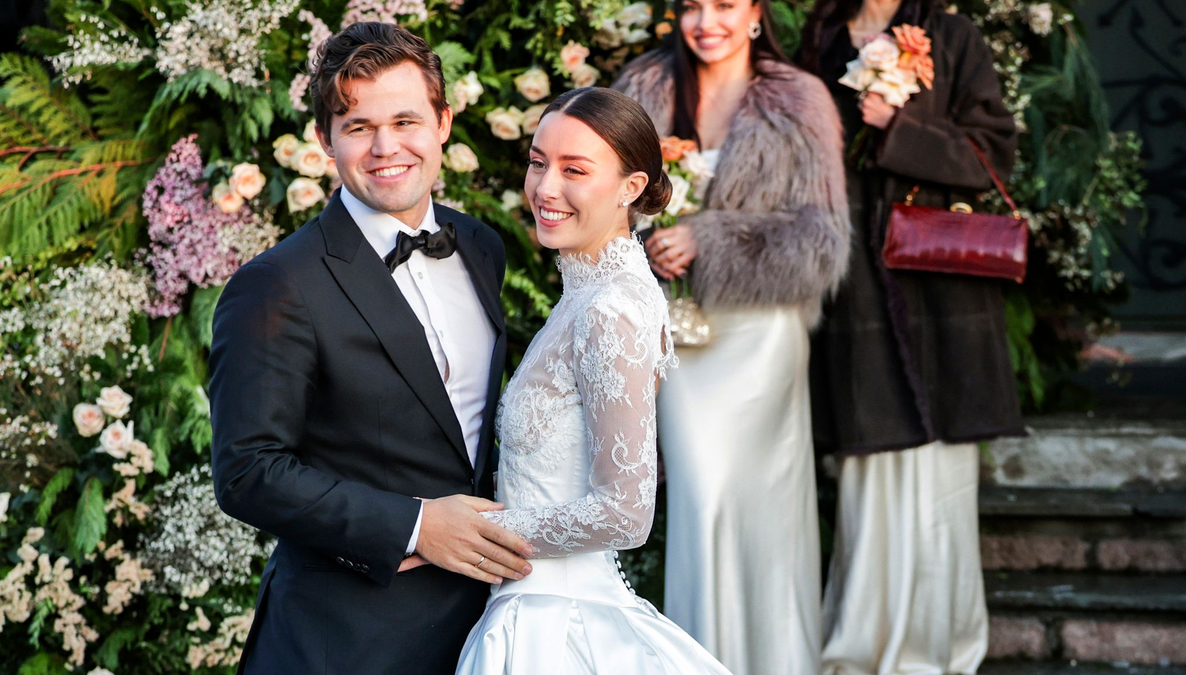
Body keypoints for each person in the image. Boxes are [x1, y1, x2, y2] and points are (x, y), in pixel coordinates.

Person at [208, 22, 534, 674]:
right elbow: (247, 470)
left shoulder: (482, 247)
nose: (386, 146)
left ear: (443, 122)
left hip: (484, 625)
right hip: (344, 635)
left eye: (406, 120)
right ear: (326, 140)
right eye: (358, 126)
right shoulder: (276, 284)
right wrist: (415, 524)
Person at [453, 86, 731, 675]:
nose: (546, 188)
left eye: (574, 170)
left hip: (555, 622)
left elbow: (626, 513)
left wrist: (468, 532)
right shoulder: (585, 293)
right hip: (531, 601)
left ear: (631, 187)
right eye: (537, 162)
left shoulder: (612, 308)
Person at [612, 1, 851, 673]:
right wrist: (648, 244)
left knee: (766, 511)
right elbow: (601, 203)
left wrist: (709, 238)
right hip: (678, 339)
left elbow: (823, 240)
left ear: (755, 13)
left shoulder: (799, 100)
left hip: (762, 337)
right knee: (702, 495)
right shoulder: (642, 90)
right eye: (693, 5)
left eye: (725, 4)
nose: (707, 20)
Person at [797, 1, 1024, 673]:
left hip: (939, 283)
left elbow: (994, 154)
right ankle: (865, 640)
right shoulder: (823, 38)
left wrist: (902, 125)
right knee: (868, 465)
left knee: (939, 469)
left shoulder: (952, 36)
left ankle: (937, 644)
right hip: (855, 284)